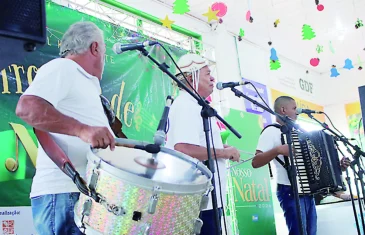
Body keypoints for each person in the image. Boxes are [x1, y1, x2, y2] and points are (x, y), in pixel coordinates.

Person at [15, 22, 116, 235]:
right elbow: (27, 108)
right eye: (104, 51)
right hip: (64, 194)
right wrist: (84, 130)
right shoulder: (64, 67)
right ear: (95, 48)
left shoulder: (86, 83)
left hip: (81, 195)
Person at [252, 96, 350, 235]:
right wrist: (278, 150)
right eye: (294, 108)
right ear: (283, 110)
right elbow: (256, 161)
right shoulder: (271, 131)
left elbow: (316, 166)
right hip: (289, 190)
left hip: (307, 191)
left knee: (310, 232)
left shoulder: (298, 132)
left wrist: (338, 168)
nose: (297, 112)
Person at [165, 53, 240, 235]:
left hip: (205, 200)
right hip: (198, 200)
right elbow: (183, 149)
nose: (213, 78)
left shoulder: (195, 105)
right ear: (191, 78)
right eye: (207, 74)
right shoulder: (186, 104)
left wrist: (223, 149)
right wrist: (223, 153)